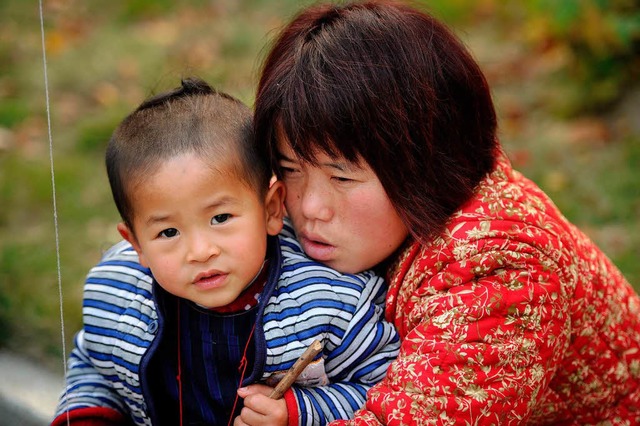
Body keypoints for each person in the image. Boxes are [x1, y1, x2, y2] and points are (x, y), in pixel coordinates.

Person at [246, 0, 640, 424]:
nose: (308, 207)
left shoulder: (504, 269)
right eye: (290, 169)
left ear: (421, 159)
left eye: (341, 178)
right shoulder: (368, 217)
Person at [51, 78, 400, 426]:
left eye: (221, 217)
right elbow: (94, 364)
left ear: (271, 210)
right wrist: (88, 416)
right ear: (136, 244)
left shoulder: (329, 303)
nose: (201, 251)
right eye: (168, 232)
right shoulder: (116, 293)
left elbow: (382, 388)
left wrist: (296, 411)